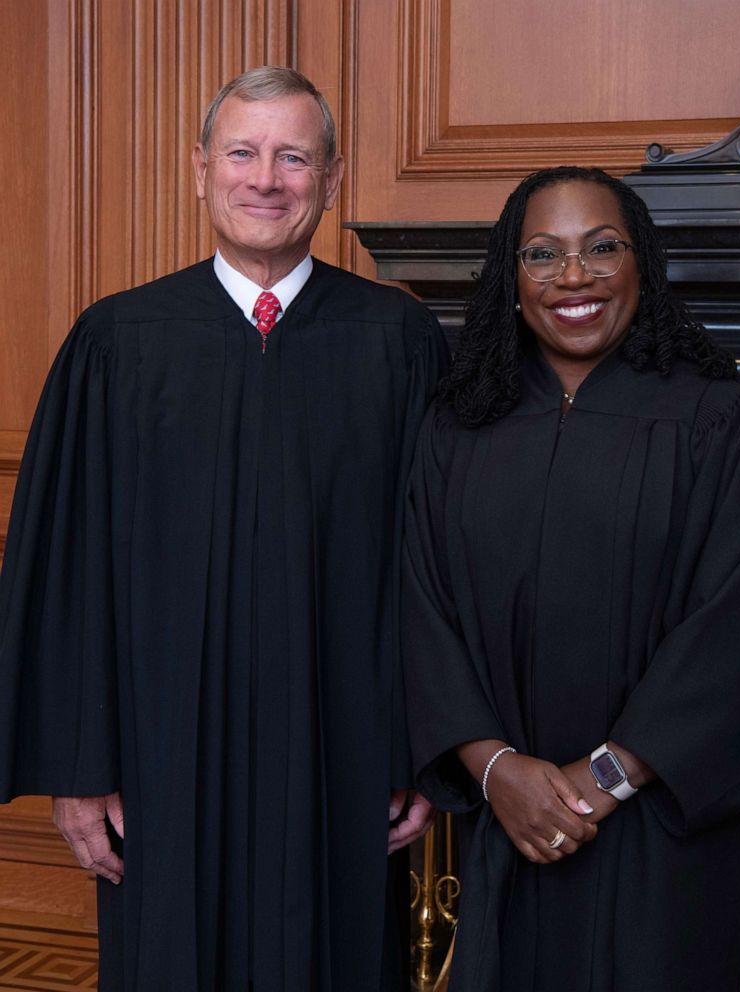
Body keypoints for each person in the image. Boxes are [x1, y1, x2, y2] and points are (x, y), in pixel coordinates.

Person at [0, 66, 444, 991]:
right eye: (242, 153)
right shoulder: (116, 343)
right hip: (161, 757)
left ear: (332, 177)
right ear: (200, 169)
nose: (266, 178)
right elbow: (69, 573)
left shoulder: (398, 343)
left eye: (294, 156)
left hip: (345, 752)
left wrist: (420, 752)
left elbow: (437, 567)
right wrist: (79, 770)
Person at [402, 166, 740, 992]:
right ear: (510, 279)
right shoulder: (458, 429)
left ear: (640, 266)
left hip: (661, 830)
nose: (573, 277)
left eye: (601, 248)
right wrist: (495, 769)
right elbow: (417, 605)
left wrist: (606, 777)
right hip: (505, 822)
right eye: (542, 254)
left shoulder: (714, 421)